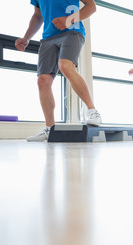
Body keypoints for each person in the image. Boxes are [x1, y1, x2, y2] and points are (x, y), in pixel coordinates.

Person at [16, 0, 102, 142]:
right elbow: (38, 16)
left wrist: (69, 20)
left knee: (65, 65)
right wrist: (26, 38)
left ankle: (93, 111)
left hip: (72, 31)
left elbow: (91, 7)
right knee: (43, 80)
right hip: (48, 37)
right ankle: (50, 129)